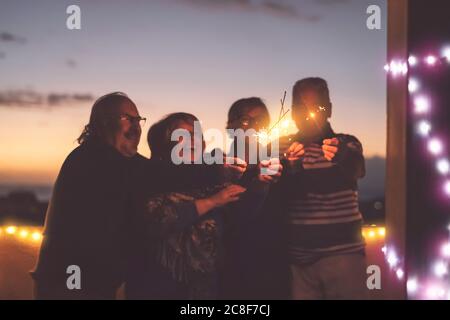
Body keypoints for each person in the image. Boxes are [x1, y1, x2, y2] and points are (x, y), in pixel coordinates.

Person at [126, 112, 281, 299]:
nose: (194, 139)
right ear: (165, 145)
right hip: (157, 288)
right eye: (184, 135)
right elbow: (154, 221)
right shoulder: (148, 178)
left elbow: (242, 215)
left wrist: (261, 183)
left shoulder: (215, 179)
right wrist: (211, 201)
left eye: (197, 134)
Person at [32, 92, 147, 299]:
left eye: (138, 120)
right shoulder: (96, 159)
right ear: (104, 123)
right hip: (71, 286)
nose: (136, 126)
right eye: (128, 119)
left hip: (83, 282)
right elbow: (153, 173)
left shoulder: (98, 157)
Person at [278, 77, 367, 299]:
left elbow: (357, 168)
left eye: (315, 106)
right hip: (298, 262)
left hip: (343, 256)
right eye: (300, 106)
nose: (307, 113)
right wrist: (292, 168)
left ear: (328, 110)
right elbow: (281, 195)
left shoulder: (346, 142)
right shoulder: (282, 147)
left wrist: (342, 157)